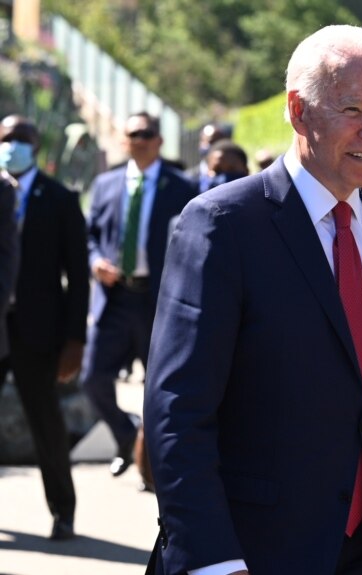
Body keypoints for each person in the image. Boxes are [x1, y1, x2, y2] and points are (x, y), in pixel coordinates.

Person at [144, 25, 362, 575]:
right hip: (252, 553)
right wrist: (215, 563)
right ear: (299, 111)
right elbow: (178, 415)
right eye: (353, 109)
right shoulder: (222, 226)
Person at [81, 111, 196, 478]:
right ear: (123, 140)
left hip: (158, 301)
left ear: (159, 140)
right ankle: (125, 435)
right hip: (114, 298)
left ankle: (156, 466)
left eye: (147, 133)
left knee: (162, 390)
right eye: (133, 134)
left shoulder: (182, 187)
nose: (139, 140)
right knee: (92, 378)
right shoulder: (106, 184)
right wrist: (96, 261)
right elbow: (90, 236)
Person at [0, 116, 89, 540]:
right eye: (5, 138)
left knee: (45, 421)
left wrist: (75, 339)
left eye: (21, 139)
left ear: (35, 145)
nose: (13, 145)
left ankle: (63, 511)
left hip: (37, 330)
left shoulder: (58, 198)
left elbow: (77, 274)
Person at [187, 122, 230, 193]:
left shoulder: (231, 179)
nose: (216, 147)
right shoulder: (187, 177)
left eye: (219, 142)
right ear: (200, 144)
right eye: (211, 142)